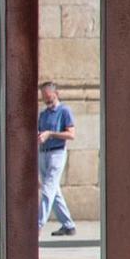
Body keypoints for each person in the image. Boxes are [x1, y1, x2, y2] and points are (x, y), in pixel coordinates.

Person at [38, 80, 77, 237]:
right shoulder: (43, 114)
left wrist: (51, 134)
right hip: (43, 153)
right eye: (44, 97)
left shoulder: (64, 111)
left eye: (49, 97)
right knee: (54, 191)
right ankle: (68, 225)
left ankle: (37, 226)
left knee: (48, 190)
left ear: (56, 94)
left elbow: (71, 134)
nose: (47, 100)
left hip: (57, 153)